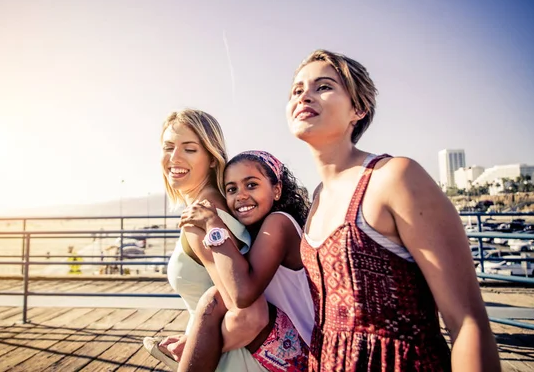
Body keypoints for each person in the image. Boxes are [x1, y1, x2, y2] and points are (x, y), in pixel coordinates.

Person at [286, 49, 501, 371]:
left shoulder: (394, 177)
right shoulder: (317, 197)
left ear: (358, 109)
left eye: (324, 86)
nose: (305, 96)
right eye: (297, 89)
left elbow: (467, 323)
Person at [143, 109, 271, 371]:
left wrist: (194, 348)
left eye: (189, 149)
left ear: (212, 159)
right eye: (168, 147)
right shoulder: (222, 207)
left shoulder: (200, 220)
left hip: (235, 362)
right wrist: (193, 337)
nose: (174, 158)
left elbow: (249, 317)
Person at [177, 150, 314, 371]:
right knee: (214, 301)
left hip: (305, 354)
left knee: (213, 300)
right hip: (287, 345)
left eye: (251, 185)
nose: (240, 195)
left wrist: (214, 224)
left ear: (277, 190)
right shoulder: (258, 233)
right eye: (232, 189)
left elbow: (242, 294)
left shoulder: (279, 224)